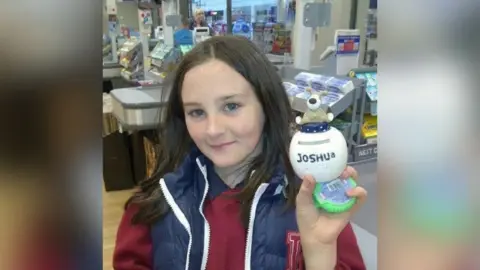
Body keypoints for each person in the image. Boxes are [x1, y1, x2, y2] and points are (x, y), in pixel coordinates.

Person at [113, 36, 368, 270]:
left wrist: (319, 254)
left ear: (266, 105)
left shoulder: (313, 199)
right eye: (197, 112)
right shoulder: (155, 204)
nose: (213, 130)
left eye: (231, 106)